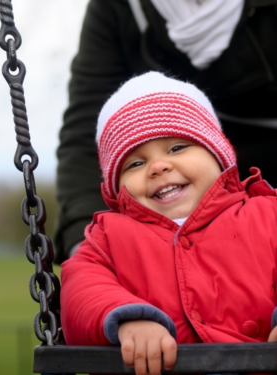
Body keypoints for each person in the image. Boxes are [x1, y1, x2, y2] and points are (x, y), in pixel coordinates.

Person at [60, 72, 277, 375]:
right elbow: (81, 291)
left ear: (218, 155)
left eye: (177, 148)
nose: (158, 166)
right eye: (135, 163)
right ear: (115, 188)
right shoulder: (108, 238)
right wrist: (128, 319)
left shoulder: (267, 214)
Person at [54, 0, 277, 263]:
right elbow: (85, 131)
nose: (158, 166)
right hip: (167, 217)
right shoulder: (117, 9)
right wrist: (87, 245)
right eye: (135, 163)